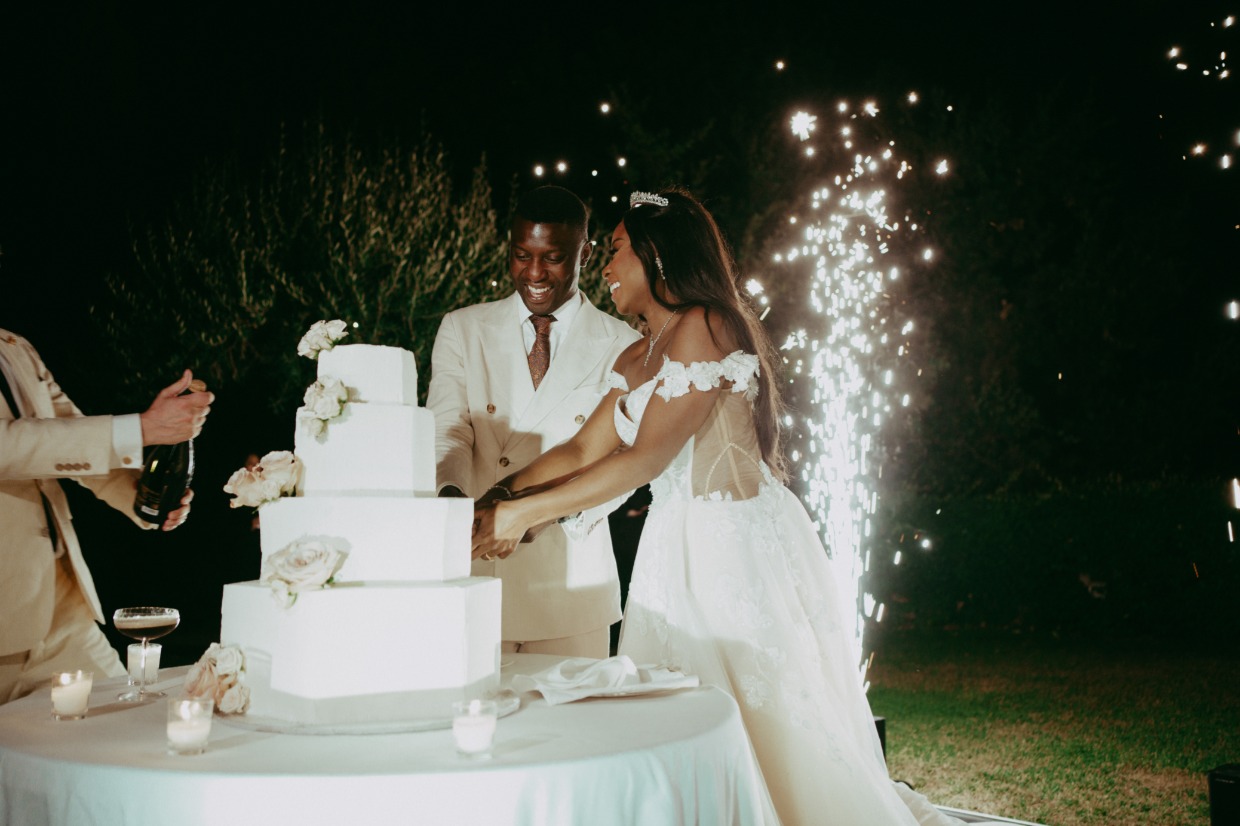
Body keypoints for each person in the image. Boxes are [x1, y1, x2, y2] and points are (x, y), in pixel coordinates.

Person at [471, 189, 975, 825]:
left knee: (761, 720)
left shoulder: (709, 325)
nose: (605, 268)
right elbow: (578, 450)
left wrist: (521, 519)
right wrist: (498, 498)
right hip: (671, 548)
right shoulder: (633, 355)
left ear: (657, 254)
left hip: (734, 549)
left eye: (618, 251)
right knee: (678, 718)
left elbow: (644, 460)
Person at [426, 185, 641, 658]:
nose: (535, 273)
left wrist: (534, 514)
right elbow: (450, 427)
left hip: (573, 586)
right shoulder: (463, 328)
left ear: (586, 252)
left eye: (554, 257)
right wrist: (455, 504)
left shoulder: (623, 343)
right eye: (522, 255)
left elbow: (624, 464)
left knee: (573, 731)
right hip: (475, 570)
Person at [0, 328, 212, 704]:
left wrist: (142, 498)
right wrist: (141, 428)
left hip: (63, 611)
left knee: (132, 726)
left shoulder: (14, 347)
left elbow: (65, 428)